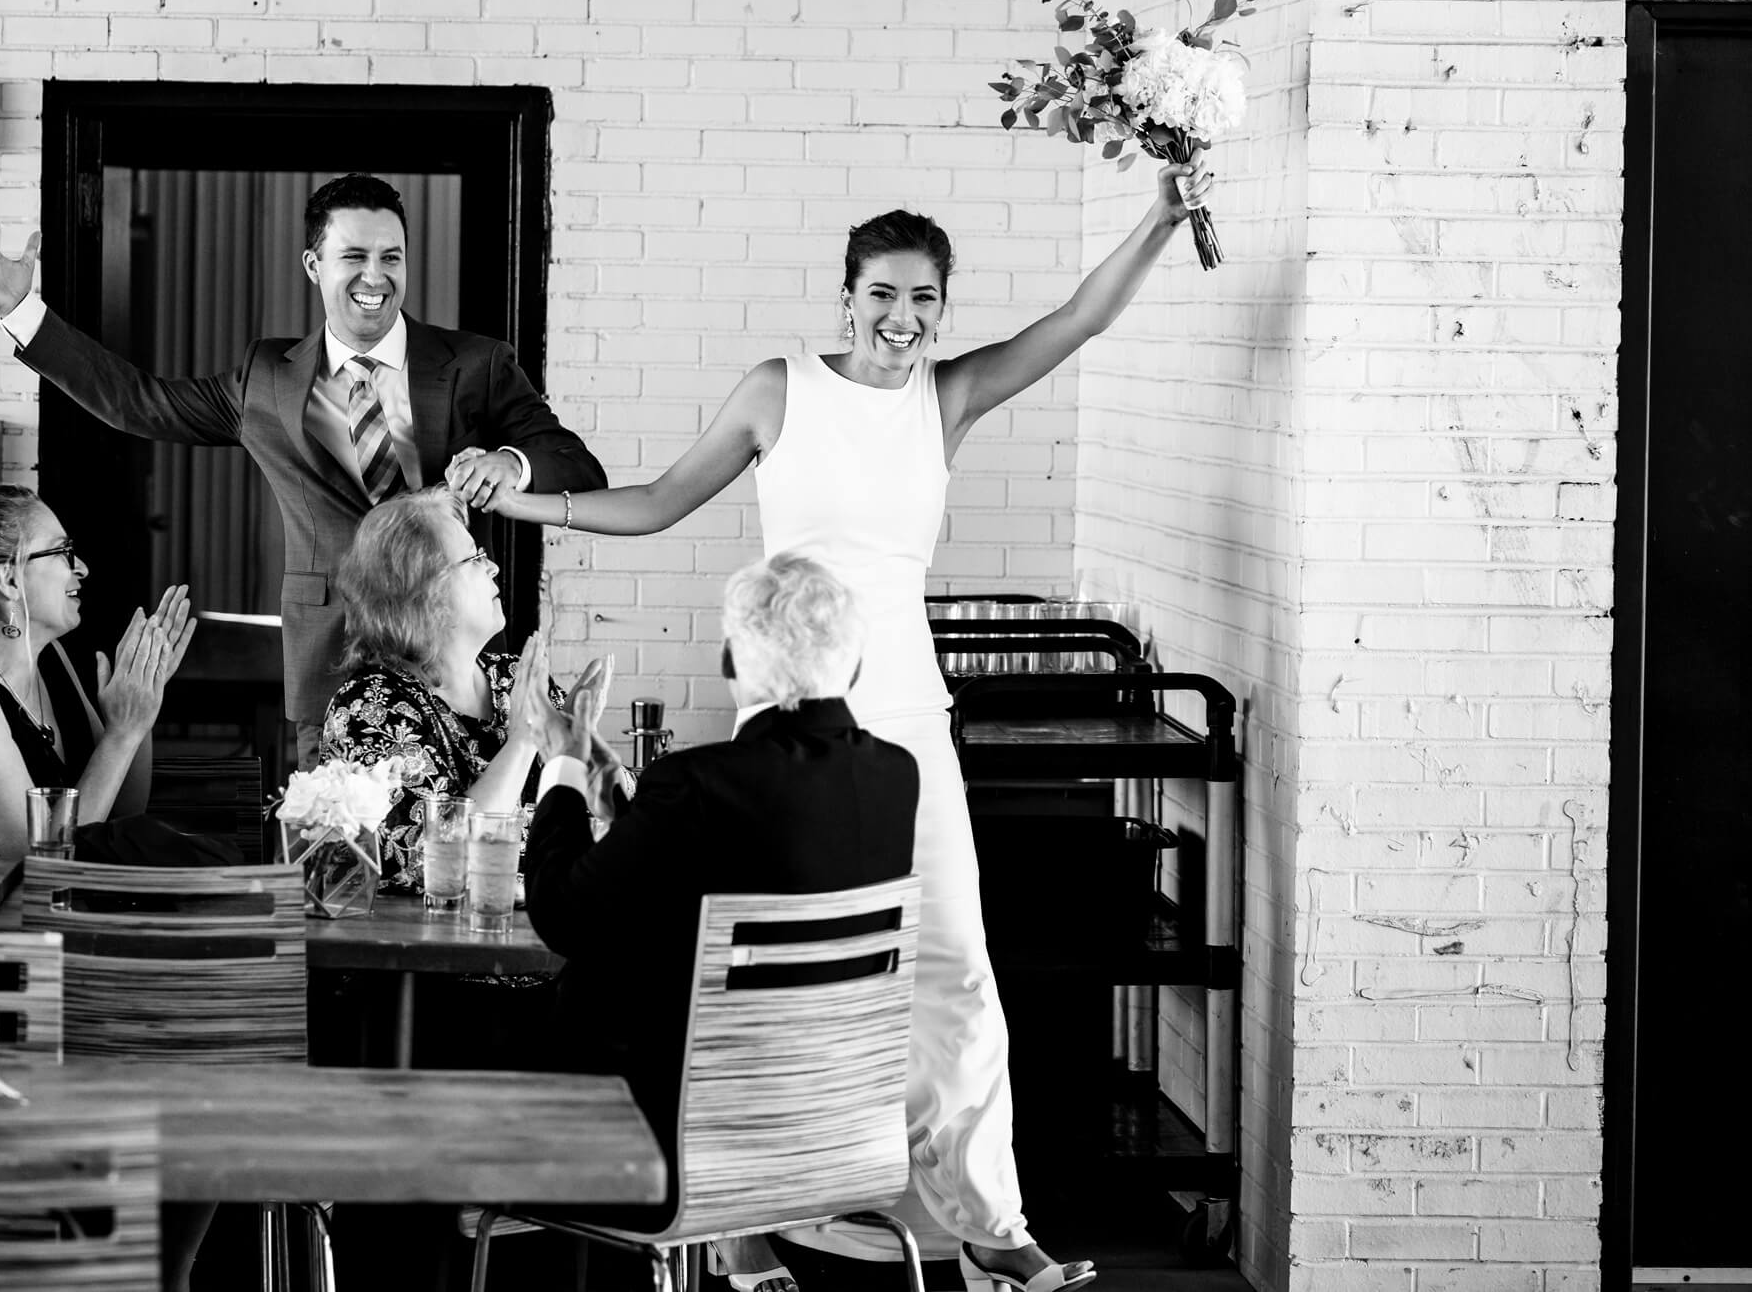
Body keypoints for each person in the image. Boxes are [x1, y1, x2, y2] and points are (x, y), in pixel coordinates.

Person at [485, 164, 1214, 1290]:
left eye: (922, 299)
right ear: (845, 295)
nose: (901, 318)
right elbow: (654, 500)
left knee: (955, 969)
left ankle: (989, 1225)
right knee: (757, 976)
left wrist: (1160, 219)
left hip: (907, 715)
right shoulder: (778, 389)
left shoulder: (948, 396)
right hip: (785, 704)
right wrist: (518, 500)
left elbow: (1079, 318)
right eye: (881, 293)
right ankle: (737, 1215)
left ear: (939, 307)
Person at [0, 173, 608, 756]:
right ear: (314, 264)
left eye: (391, 257)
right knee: (334, 863)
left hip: (459, 669)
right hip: (331, 664)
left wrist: (511, 464)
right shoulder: (268, 378)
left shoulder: (476, 365)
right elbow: (138, 403)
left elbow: (575, 464)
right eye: (354, 255)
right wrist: (20, 310)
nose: (375, 276)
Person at [521, 553, 920, 1245]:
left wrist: (561, 762)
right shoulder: (894, 776)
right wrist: (623, 804)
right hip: (839, 1139)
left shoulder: (697, 784)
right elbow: (754, 859)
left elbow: (559, 913)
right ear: (852, 668)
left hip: (676, 1149)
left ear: (731, 661)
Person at [320, 487, 625, 891]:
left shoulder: (513, 677)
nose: (493, 568)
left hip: (545, 930)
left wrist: (587, 755)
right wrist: (523, 740)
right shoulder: (369, 709)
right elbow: (434, 863)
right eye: (474, 558)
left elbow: (593, 832)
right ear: (423, 589)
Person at [0, 484, 196, 859]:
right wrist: (120, 733)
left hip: (59, 907)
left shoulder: (52, 660)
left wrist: (141, 704)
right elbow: (45, 858)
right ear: (9, 580)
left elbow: (121, 811)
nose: (82, 568)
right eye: (63, 552)